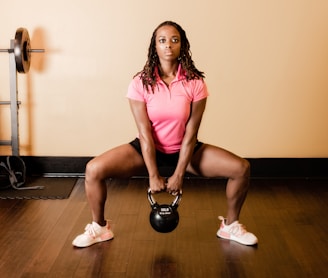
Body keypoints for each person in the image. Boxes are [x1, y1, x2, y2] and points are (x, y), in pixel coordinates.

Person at [72, 21, 258, 248]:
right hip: (146, 150)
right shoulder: (140, 83)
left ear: (182, 46)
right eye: (162, 40)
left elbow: (191, 133)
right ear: (154, 47)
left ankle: (231, 226)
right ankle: (99, 228)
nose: (168, 45)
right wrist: (153, 174)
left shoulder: (195, 83)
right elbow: (145, 132)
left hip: (184, 150)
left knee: (241, 168)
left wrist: (179, 173)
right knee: (93, 169)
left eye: (174, 40)